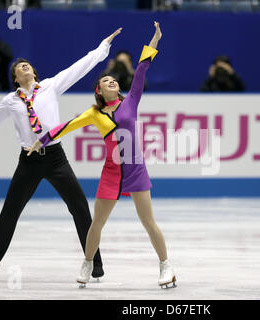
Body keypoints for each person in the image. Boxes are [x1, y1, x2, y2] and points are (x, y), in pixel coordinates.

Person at [0, 28, 122, 281]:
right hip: (28, 161)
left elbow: (78, 68)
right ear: (15, 78)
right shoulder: (11, 100)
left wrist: (102, 48)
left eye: (27, 64)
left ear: (34, 72)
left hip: (55, 157)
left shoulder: (50, 87)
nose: (24, 66)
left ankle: (95, 264)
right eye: (19, 67)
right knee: (10, 212)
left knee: (80, 208)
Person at [28, 22, 177, 289]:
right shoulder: (94, 114)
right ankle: (87, 262)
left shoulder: (131, 99)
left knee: (148, 222)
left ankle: (166, 266)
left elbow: (142, 67)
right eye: (106, 81)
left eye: (113, 80)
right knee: (97, 223)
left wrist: (155, 39)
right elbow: (67, 126)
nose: (112, 81)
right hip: (111, 173)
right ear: (99, 91)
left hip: (135, 169)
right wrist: (42, 140)